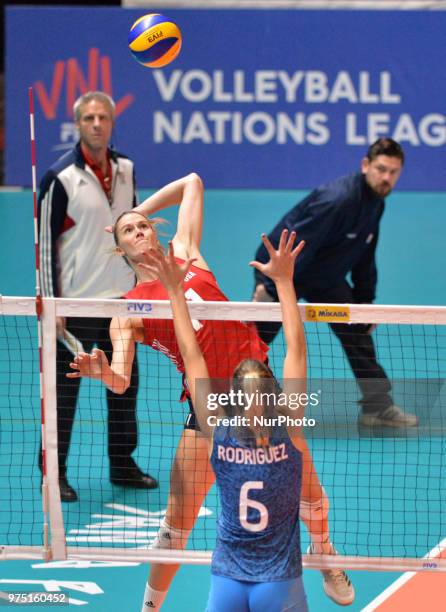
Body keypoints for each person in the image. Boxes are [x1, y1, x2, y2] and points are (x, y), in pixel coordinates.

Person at [67, 173, 355, 609]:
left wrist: (137, 210)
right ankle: (149, 606)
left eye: (142, 225)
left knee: (311, 497)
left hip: (258, 392)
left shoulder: (186, 254)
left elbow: (193, 183)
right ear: (120, 250)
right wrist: (101, 371)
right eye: (128, 230)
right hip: (208, 406)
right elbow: (121, 380)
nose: (139, 231)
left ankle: (326, 554)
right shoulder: (127, 311)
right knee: (176, 523)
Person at [142, 230, 311, 611]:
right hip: (278, 581)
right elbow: (297, 347)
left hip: (228, 581)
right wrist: (285, 282)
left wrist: (173, 293)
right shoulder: (288, 426)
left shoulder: (218, 429)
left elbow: (192, 354)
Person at [38, 91, 157, 502]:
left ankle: (123, 464)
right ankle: (54, 472)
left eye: (102, 117)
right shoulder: (59, 177)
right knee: (64, 394)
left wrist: (143, 288)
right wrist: (51, 304)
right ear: (78, 124)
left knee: (124, 387)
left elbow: (134, 229)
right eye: (88, 117)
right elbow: (44, 244)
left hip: (120, 303)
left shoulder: (126, 169)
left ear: (111, 123)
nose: (96, 124)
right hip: (73, 305)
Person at [253, 138, 418, 429]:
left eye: (393, 172)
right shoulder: (337, 200)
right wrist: (269, 285)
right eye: (381, 169)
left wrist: (365, 304)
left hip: (325, 276)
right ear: (365, 165)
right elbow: (296, 244)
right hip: (285, 271)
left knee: (358, 332)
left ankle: (377, 408)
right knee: (256, 342)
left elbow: (365, 252)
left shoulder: (375, 202)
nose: (386, 178)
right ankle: (238, 406)